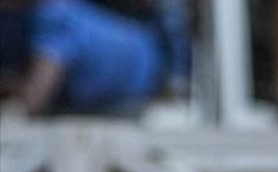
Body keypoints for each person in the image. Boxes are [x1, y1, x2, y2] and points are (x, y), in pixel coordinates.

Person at [4, 0, 166, 116]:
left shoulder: (52, 14)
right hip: (143, 73)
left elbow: (36, 100)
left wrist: (15, 90)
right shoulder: (62, 9)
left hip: (140, 82)